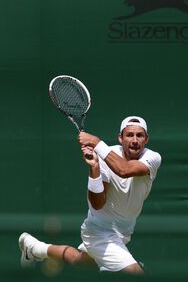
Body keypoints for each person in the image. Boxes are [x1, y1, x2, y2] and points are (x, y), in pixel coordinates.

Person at [19, 116, 161, 274]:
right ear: (120, 138)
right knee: (135, 273)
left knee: (78, 260)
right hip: (99, 233)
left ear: (146, 139)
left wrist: (96, 143)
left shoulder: (153, 157)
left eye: (139, 135)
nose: (134, 140)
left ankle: (34, 248)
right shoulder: (107, 156)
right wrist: (94, 167)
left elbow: (125, 170)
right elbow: (97, 204)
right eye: (129, 135)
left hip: (123, 233)